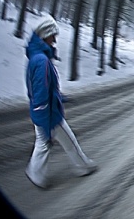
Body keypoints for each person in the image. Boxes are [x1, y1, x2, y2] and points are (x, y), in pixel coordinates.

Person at [24, 15, 97, 189]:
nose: (55, 39)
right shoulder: (41, 61)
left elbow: (39, 89)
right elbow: (41, 94)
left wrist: (59, 97)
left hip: (42, 112)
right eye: (52, 35)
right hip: (49, 115)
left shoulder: (36, 57)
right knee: (66, 141)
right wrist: (47, 121)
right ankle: (83, 166)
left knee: (42, 144)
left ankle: (36, 173)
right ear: (45, 35)